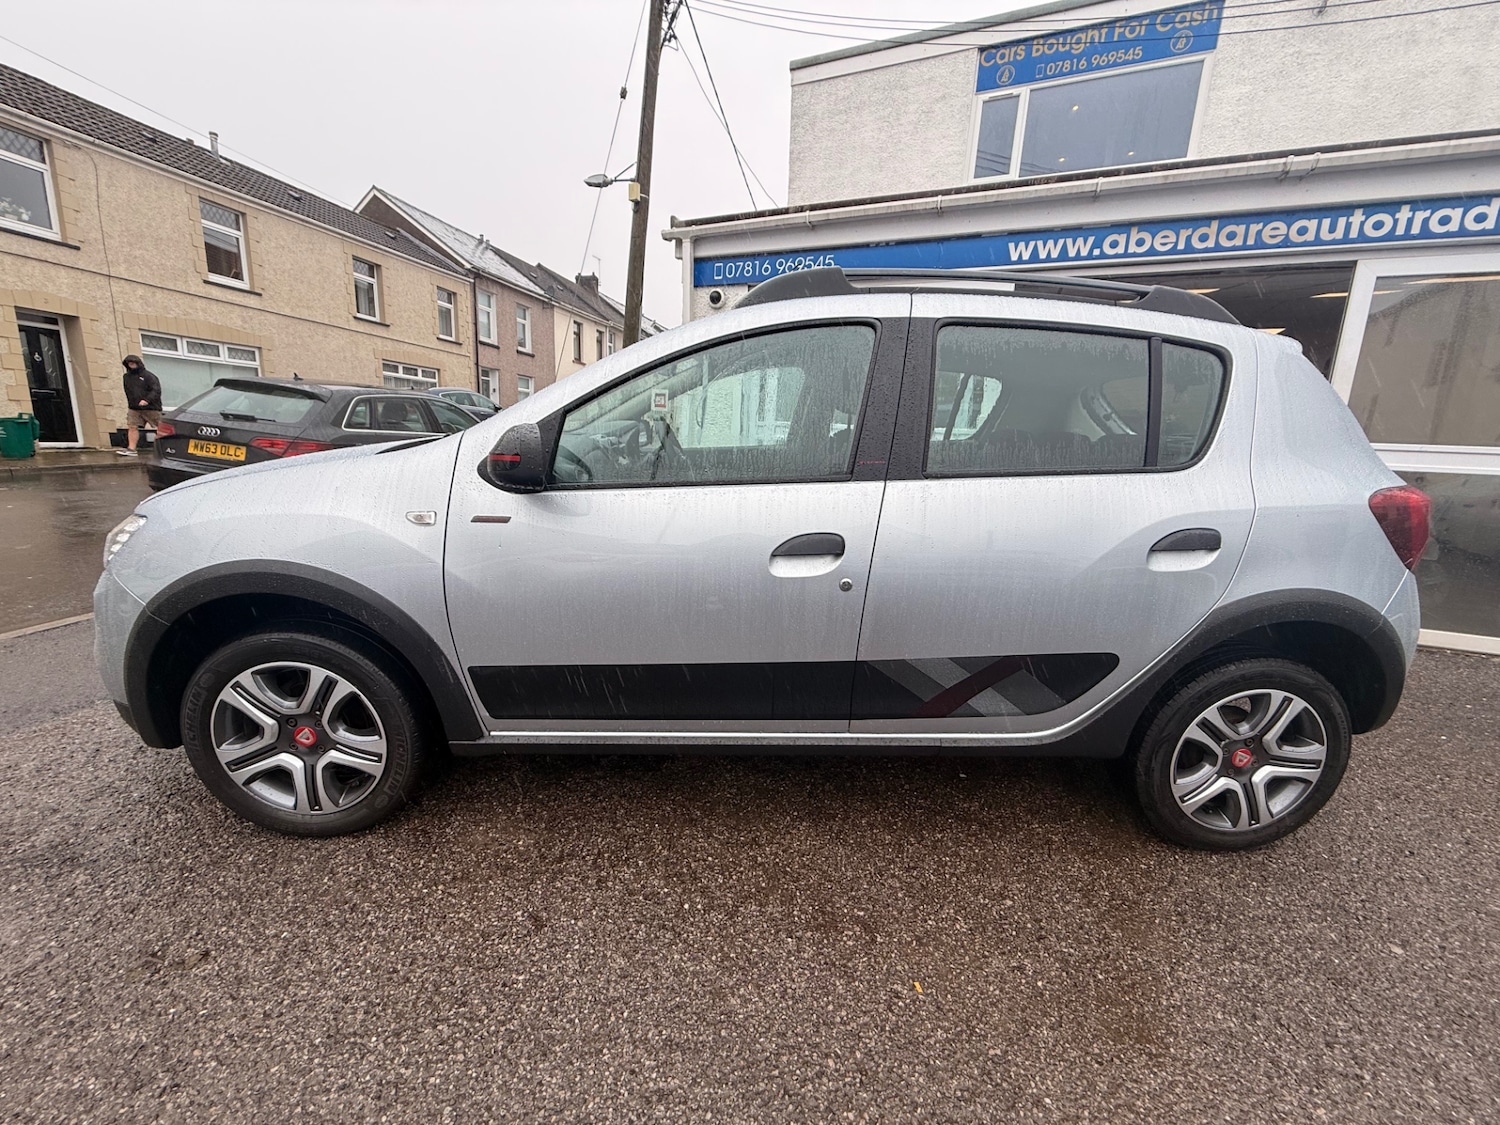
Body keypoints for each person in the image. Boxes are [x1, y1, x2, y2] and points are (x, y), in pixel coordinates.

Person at [118, 354, 162, 457]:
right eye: (129, 363)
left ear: (138, 363)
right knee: (132, 427)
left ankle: (163, 448)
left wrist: (147, 400)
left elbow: (156, 390)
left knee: (160, 428)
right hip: (134, 408)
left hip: (151, 408)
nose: (131, 365)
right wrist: (132, 403)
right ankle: (131, 449)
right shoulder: (126, 377)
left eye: (133, 363)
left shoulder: (149, 376)